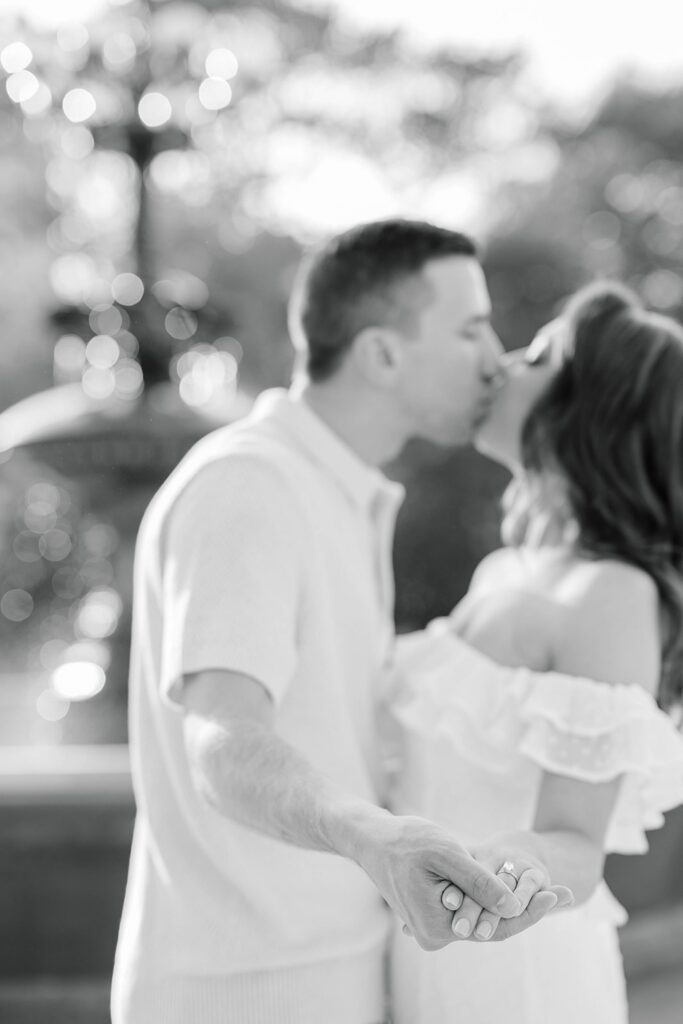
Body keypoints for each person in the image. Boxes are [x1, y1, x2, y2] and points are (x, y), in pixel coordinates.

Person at [111, 219, 571, 1024]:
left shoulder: (333, 490)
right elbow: (218, 737)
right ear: (382, 354)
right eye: (468, 328)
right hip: (243, 991)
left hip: (326, 970)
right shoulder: (250, 484)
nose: (493, 355)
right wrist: (372, 837)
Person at [386, 280, 683, 1023]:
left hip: (516, 974)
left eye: (539, 354)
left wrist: (513, 868)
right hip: (428, 959)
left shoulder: (609, 592)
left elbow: (577, 840)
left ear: (594, 403)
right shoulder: (504, 568)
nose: (504, 362)